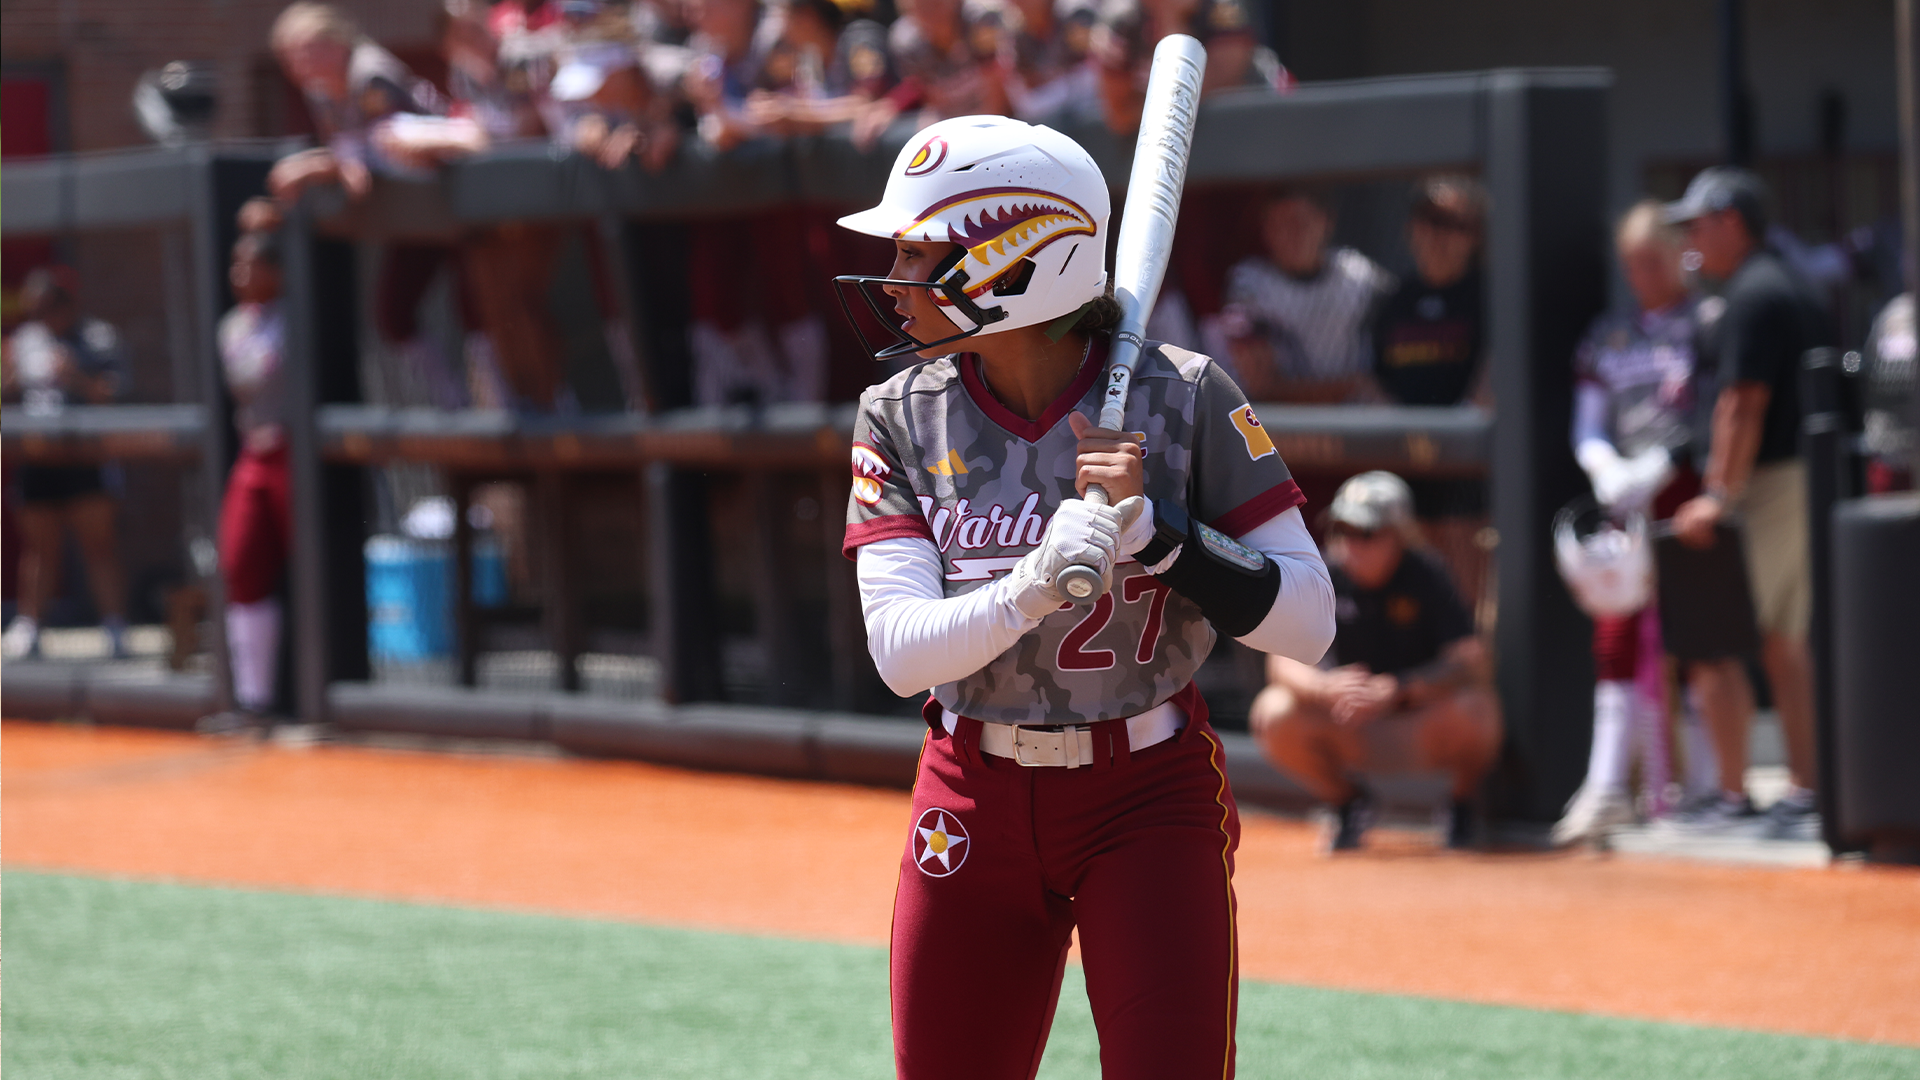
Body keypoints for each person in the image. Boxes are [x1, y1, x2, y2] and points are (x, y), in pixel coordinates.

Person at [837, 115, 1334, 1075]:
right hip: (970, 790)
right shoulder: (898, 411)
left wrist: (1158, 534)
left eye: (921, 248)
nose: (896, 276)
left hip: (1146, 793)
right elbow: (901, 654)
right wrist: (1031, 582)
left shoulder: (1185, 395)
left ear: (1021, 256)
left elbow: (1309, 622)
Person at [1551, 201, 1740, 845]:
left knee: (1697, 635)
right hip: (1624, 499)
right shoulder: (1610, 333)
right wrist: (1603, 464)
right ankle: (1606, 786)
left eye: (1652, 260)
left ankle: (1710, 784)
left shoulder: (1707, 321)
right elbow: (1589, 418)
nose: (1641, 274)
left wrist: (1667, 462)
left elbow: (1720, 408)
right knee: (1617, 633)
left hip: (1686, 491)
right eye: (1631, 263)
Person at [1667, 167, 1836, 838]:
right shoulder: (1792, 282)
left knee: (1713, 640)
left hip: (1764, 483)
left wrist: (1716, 495)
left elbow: (1744, 401)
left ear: (1731, 221)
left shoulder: (1755, 294)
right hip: (1800, 479)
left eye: (1697, 224)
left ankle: (1733, 798)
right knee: (1783, 643)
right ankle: (1806, 788)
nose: (1690, 238)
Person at [1248, 471, 1503, 852]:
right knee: (1273, 711)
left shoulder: (1426, 573)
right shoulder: (1324, 573)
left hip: (1414, 722)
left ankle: (1461, 807)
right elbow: (1279, 662)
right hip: (1347, 720)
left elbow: (1471, 660)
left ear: (1399, 534)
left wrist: (1399, 689)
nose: (1351, 544)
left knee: (1478, 709)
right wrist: (1326, 686)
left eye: (1365, 533)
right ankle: (1348, 803)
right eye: (1342, 530)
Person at [1, 268, 131, 661]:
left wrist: (74, 374)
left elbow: (114, 394)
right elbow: (10, 393)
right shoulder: (25, 341)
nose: (39, 319)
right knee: (39, 549)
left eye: (44, 309)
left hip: (84, 458)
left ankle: (115, 628)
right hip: (39, 457)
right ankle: (31, 628)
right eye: (33, 311)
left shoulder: (98, 337)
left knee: (99, 546)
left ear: (64, 305)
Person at [202, 230, 292, 733]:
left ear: (275, 272)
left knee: (314, 566)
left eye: (248, 265)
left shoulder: (297, 319)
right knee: (239, 560)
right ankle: (253, 701)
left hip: (295, 452)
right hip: (254, 452)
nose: (238, 275)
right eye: (234, 265)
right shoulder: (231, 327)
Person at [1220, 184, 1393, 404]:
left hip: (1356, 419)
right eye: (1279, 224)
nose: (1291, 234)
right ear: (1266, 230)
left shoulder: (1357, 274)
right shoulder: (1249, 283)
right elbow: (1261, 388)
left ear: (1327, 222)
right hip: (1281, 424)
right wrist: (1351, 386)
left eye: (1300, 222)